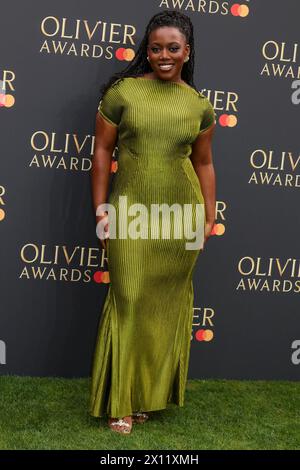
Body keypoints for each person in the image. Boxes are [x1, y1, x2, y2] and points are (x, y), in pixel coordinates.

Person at [89, 10, 216, 435]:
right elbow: (102, 154)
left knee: (163, 307)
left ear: (187, 52)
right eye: (156, 47)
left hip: (181, 215)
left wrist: (209, 213)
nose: (163, 55)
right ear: (147, 49)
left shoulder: (199, 105)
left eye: (173, 48)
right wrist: (101, 209)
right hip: (131, 211)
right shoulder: (123, 92)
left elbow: (204, 162)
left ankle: (144, 398)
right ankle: (119, 402)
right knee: (128, 299)